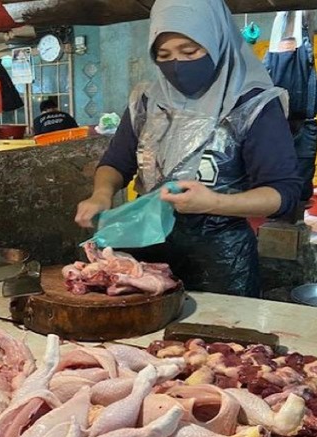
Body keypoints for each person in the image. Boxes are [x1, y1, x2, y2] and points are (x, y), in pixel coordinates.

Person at [74, 0, 303, 298]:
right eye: (164, 54)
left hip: (220, 260)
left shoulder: (252, 105)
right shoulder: (147, 101)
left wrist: (214, 203)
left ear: (217, 42)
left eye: (190, 51)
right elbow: (116, 163)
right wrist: (101, 194)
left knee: (218, 344)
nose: (177, 65)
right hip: (145, 251)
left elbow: (283, 192)